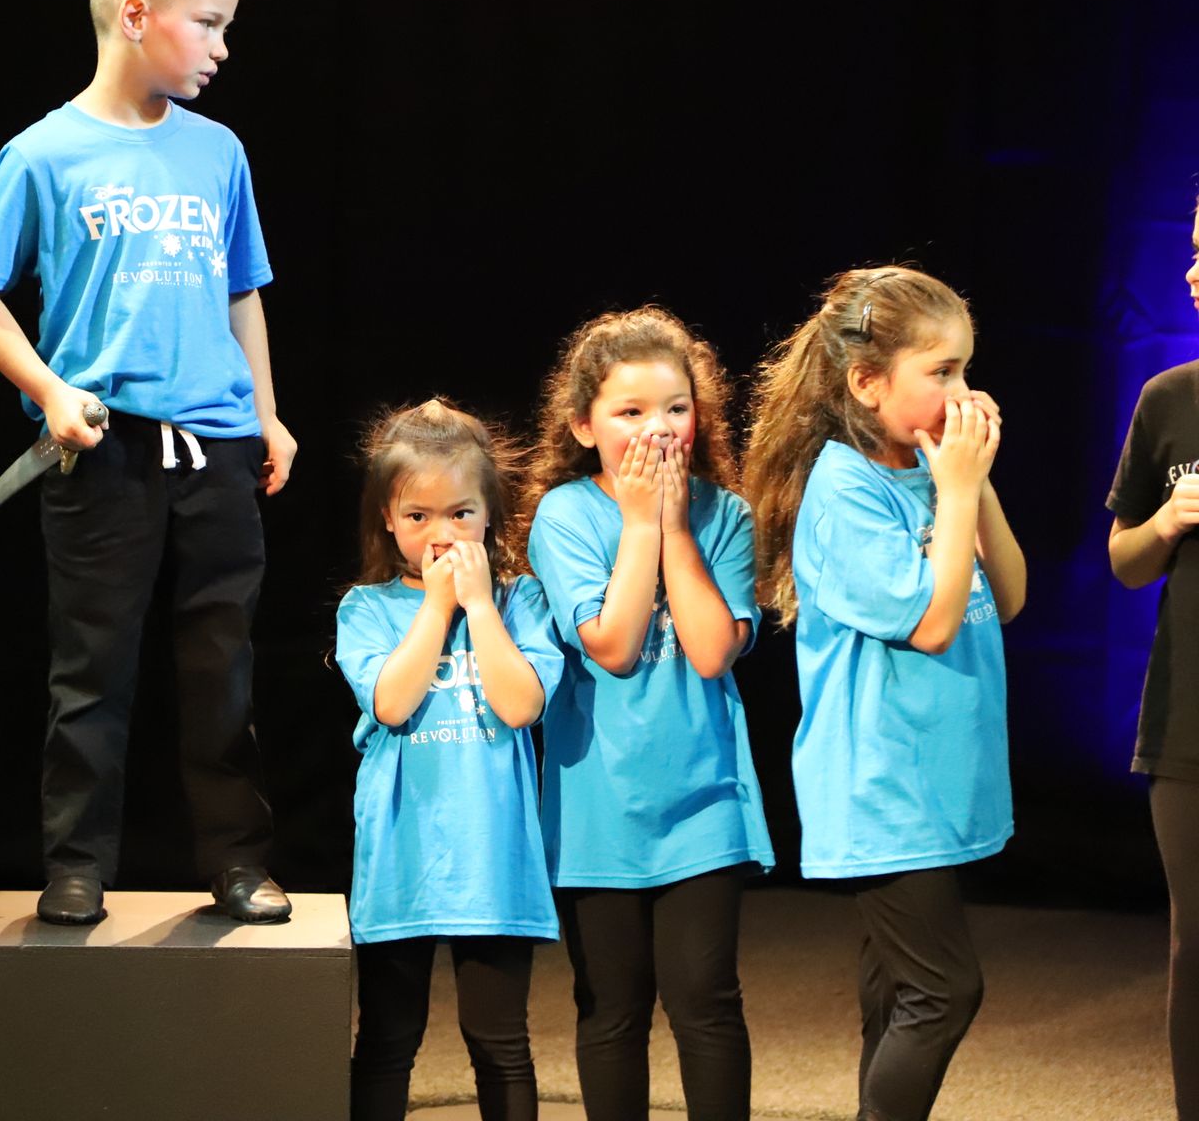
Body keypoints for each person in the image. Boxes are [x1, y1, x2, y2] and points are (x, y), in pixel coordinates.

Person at [0, 0, 295, 926]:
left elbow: (242, 291)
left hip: (215, 443)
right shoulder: (44, 154)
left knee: (221, 661)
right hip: (102, 448)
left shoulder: (217, 151)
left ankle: (236, 859)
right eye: (209, 23)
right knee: (92, 666)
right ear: (136, 15)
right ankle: (76, 862)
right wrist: (52, 390)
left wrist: (267, 414)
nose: (222, 47)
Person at [742, 265, 1026, 1121]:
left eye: (966, 369)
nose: (962, 393)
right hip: (882, 787)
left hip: (933, 775)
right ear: (867, 383)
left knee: (897, 994)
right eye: (941, 372)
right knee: (944, 991)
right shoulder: (844, 491)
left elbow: (1010, 594)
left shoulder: (933, 471)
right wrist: (957, 489)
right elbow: (933, 624)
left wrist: (973, 484)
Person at [526, 306, 771, 1121]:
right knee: (613, 1008)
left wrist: (673, 528)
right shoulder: (567, 515)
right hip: (599, 806)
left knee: (707, 1000)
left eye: (675, 408)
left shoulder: (725, 514)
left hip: (704, 800)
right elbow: (614, 645)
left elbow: (711, 650)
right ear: (584, 426)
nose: (657, 428)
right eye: (630, 411)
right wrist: (640, 526)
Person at [335, 399, 563, 1121]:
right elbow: (392, 703)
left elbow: (520, 706)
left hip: (493, 859)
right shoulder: (365, 609)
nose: (442, 534)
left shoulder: (522, 601)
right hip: (401, 857)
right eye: (419, 516)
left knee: (500, 1042)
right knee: (387, 1038)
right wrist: (436, 609)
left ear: (490, 514)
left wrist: (481, 607)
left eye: (461, 514)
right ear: (388, 520)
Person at [1106, 203, 1199, 1119]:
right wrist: (1167, 522)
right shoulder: (1168, 399)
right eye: (1195, 251)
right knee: (1194, 945)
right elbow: (1125, 562)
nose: (1191, 274)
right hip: (1188, 719)